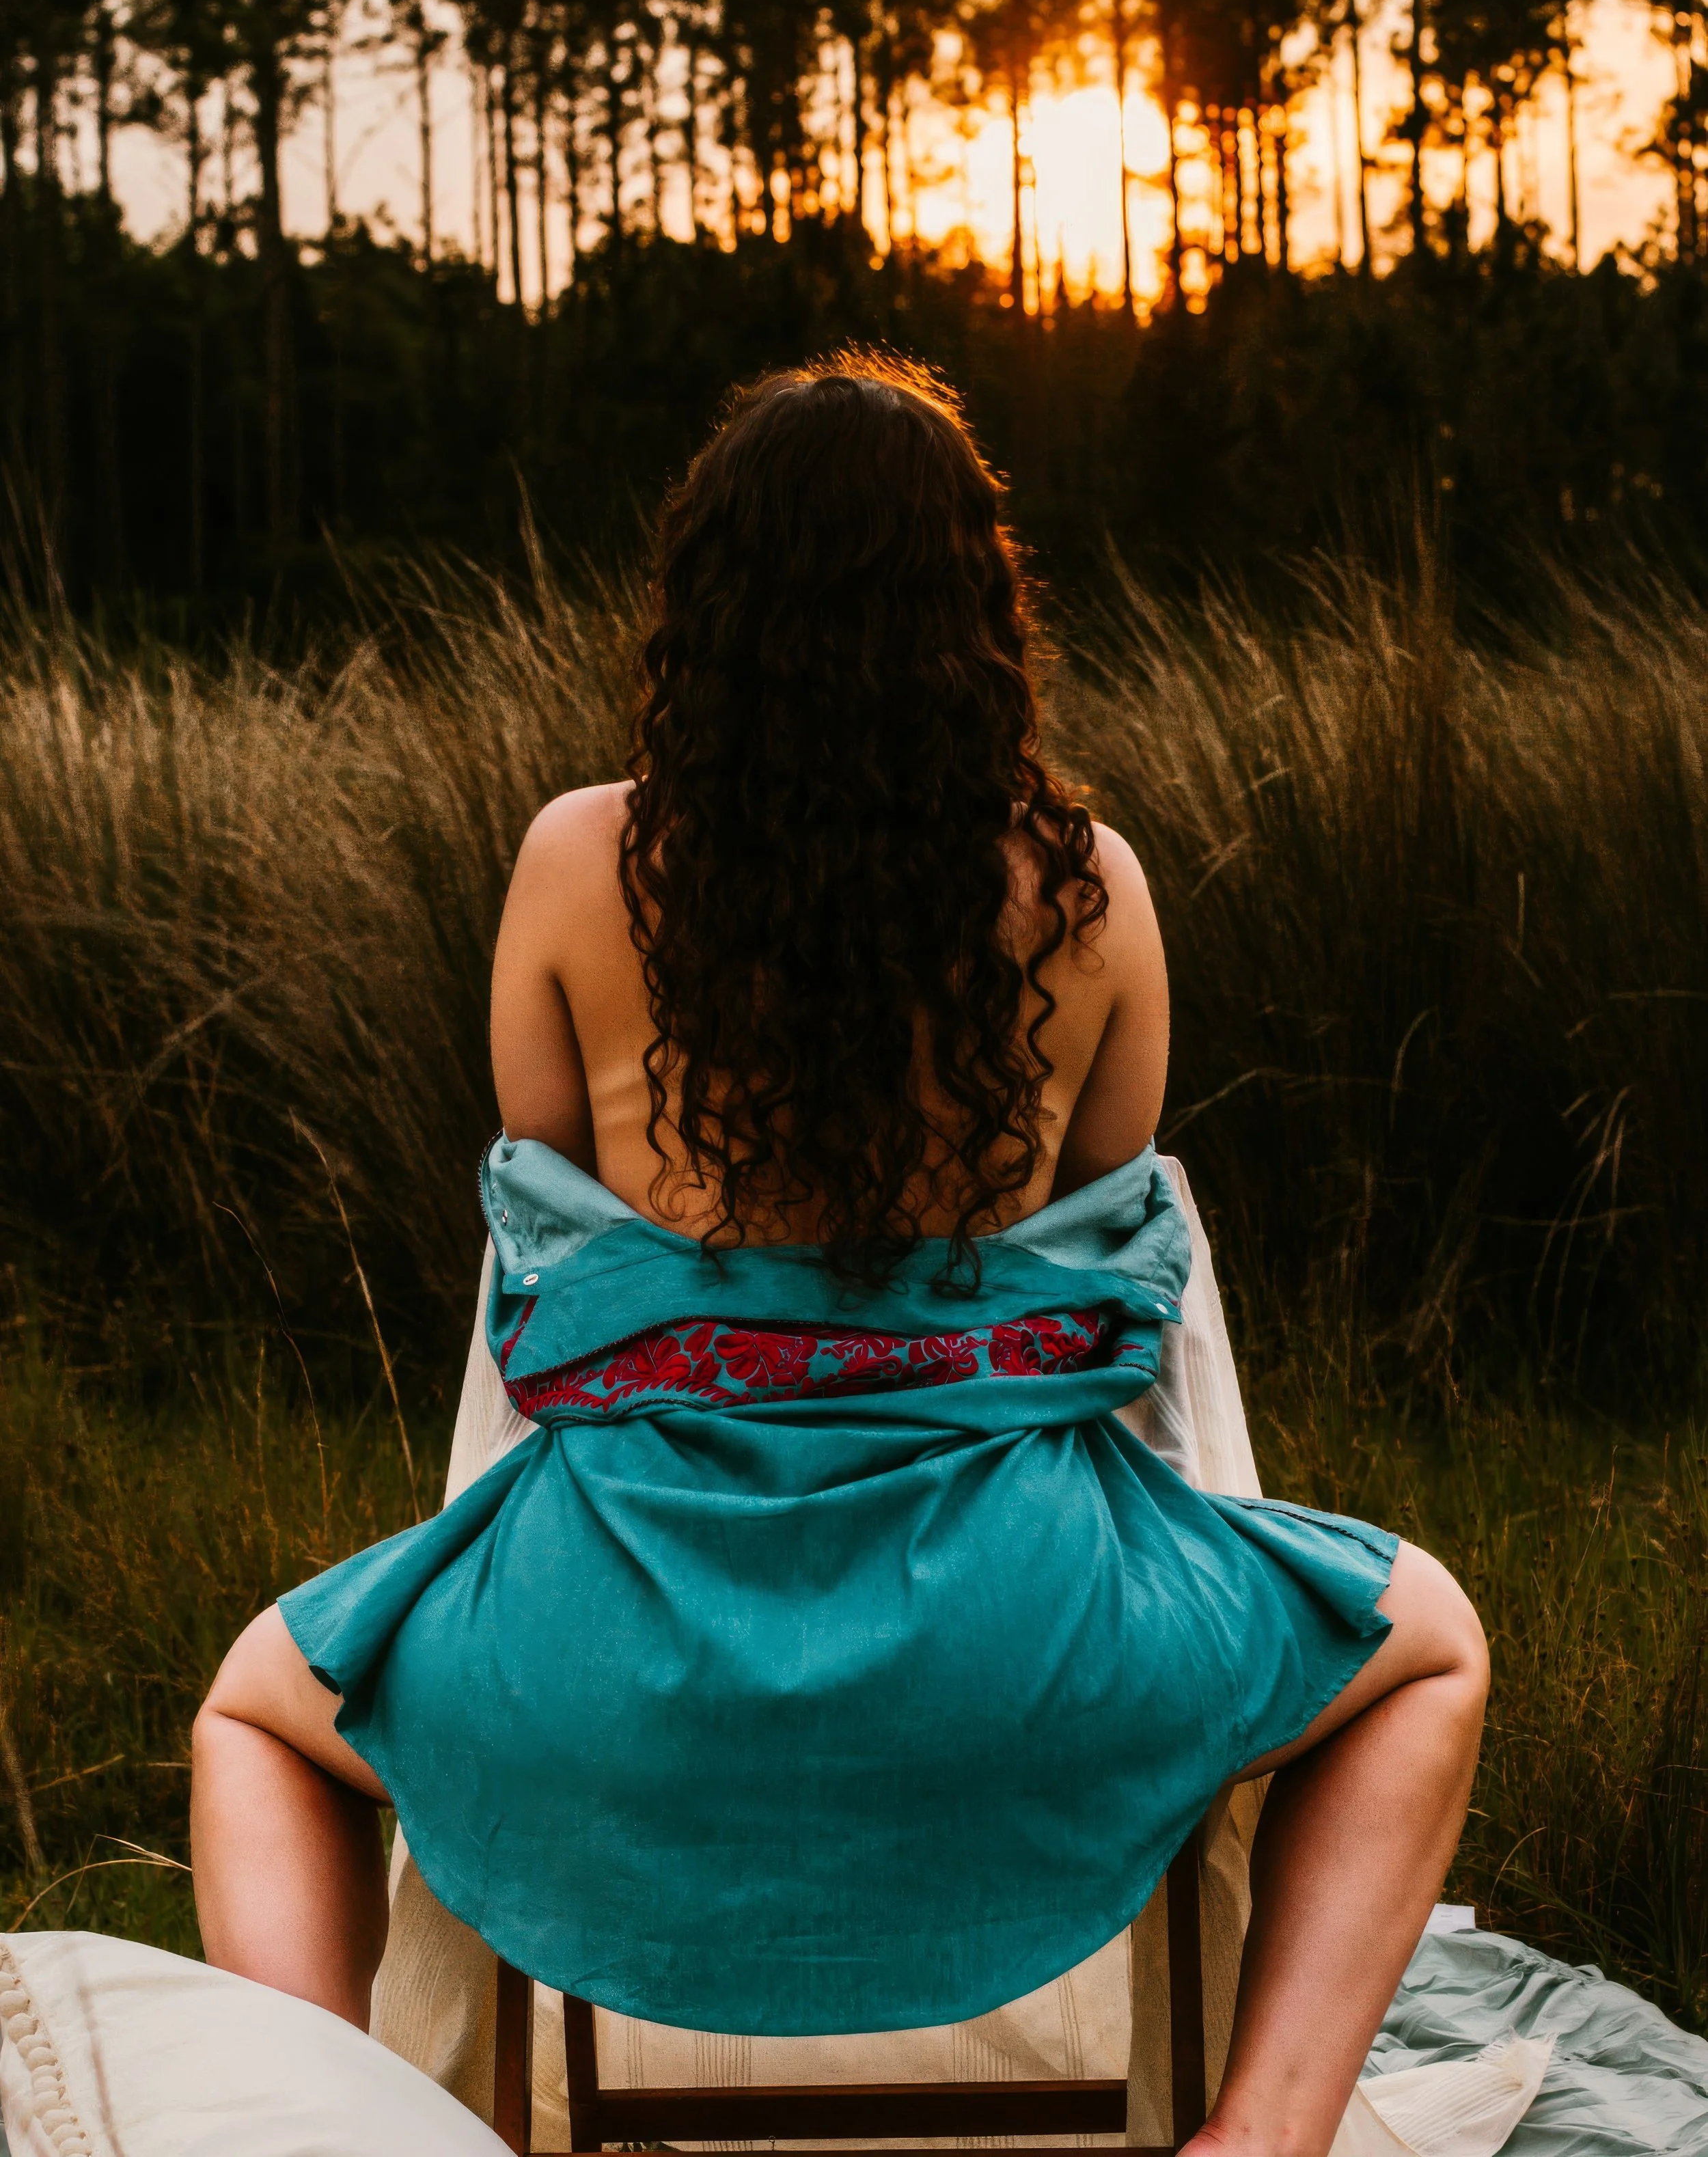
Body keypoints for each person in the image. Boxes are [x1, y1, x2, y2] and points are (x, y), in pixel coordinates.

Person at [192, 355, 1487, 2157]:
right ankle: (1257, 2140)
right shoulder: (1089, 887)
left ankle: (318, 2138)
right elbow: (1115, 1224)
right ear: (974, 604)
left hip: (622, 1640)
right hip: (1016, 1642)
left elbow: (544, 1214)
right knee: (1423, 1640)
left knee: (261, 1703)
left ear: (706, 602)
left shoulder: (581, 860)